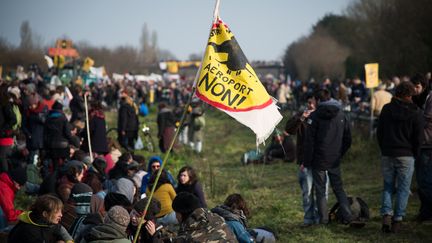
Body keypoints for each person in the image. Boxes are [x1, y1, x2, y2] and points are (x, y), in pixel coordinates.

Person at [377, 81, 424, 233]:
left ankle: (386, 215)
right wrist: (415, 154)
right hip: (406, 155)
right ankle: (397, 220)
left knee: (388, 186)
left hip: (388, 153)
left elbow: (380, 132)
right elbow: (418, 137)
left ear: (397, 93)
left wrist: (384, 148)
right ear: (410, 95)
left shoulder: (386, 109)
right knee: (403, 189)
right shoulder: (416, 112)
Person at [303, 89, 355, 226]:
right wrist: (340, 153)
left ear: (318, 101)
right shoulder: (341, 114)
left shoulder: (314, 117)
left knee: (320, 190)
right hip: (335, 158)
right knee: (338, 188)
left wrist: (307, 161)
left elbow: (309, 142)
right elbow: (348, 139)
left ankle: (323, 220)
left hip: (319, 159)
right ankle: (348, 216)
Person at [285, 95, 328, 226]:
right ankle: (309, 218)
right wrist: (302, 118)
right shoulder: (301, 115)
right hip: (305, 160)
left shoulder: (324, 116)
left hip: (321, 159)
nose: (310, 105)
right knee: (307, 191)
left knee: (322, 191)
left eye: (312, 102)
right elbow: (289, 129)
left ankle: (321, 218)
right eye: (308, 102)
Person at [169, 192, 237, 242]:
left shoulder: (188, 233)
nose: (176, 217)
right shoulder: (217, 218)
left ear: (182, 213)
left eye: (176, 213)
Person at [8, 194, 73, 243]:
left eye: (61, 211)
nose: (61, 215)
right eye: (56, 212)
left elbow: (59, 229)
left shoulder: (46, 222)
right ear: (45, 214)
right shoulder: (29, 232)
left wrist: (67, 240)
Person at [412, 74, 432, 222]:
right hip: (421, 143)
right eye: (413, 86)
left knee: (424, 180)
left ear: (424, 86)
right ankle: (425, 210)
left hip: (427, 143)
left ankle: (427, 211)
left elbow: (425, 119)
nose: (415, 89)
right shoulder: (417, 99)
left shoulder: (430, 99)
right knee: (421, 180)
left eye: (417, 86)